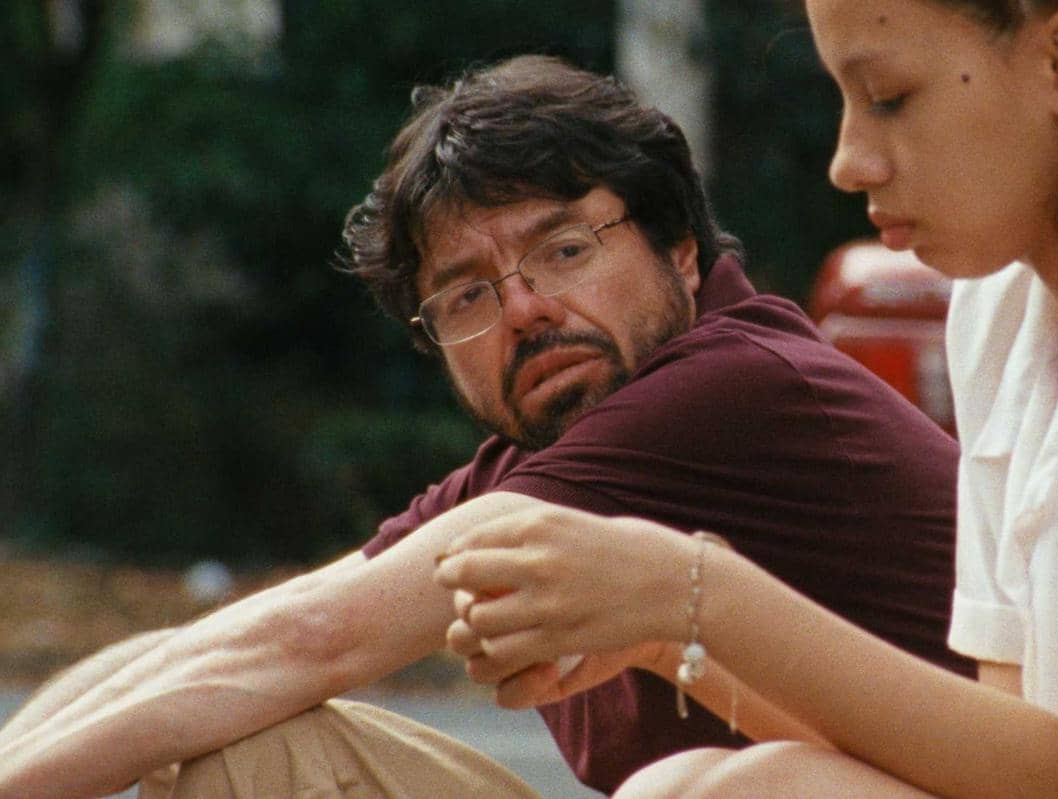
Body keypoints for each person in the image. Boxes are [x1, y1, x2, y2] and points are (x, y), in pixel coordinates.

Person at [0, 55, 970, 798]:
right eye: (468, 294)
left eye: (565, 248)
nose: (525, 309)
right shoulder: (538, 463)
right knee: (249, 744)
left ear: (680, 252)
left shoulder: (730, 387)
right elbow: (231, 640)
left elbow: (309, 642)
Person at [436, 2, 1058, 797]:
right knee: (683, 784)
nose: (848, 162)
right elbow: (1005, 760)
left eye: (889, 97)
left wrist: (694, 590)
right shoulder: (1002, 308)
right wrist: (666, 633)